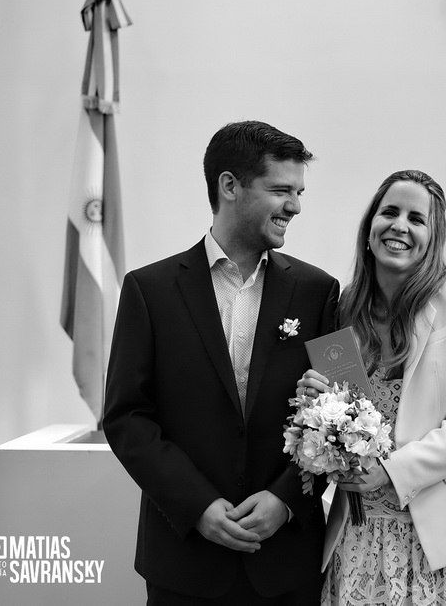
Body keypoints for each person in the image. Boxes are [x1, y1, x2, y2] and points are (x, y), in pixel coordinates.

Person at [102, 121, 340, 605]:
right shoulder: (148, 291)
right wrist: (197, 506)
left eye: (298, 192)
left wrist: (287, 500)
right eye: (280, 190)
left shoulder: (322, 292)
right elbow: (127, 417)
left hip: (287, 563)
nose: (295, 206)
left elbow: (349, 412)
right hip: (184, 558)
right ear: (229, 185)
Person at [298, 169, 446, 605]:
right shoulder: (342, 307)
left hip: (443, 535)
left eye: (417, 218)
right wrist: (311, 402)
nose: (400, 225)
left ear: (433, 237)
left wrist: (390, 472)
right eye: (390, 212)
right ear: (369, 228)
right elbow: (336, 414)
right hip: (358, 531)